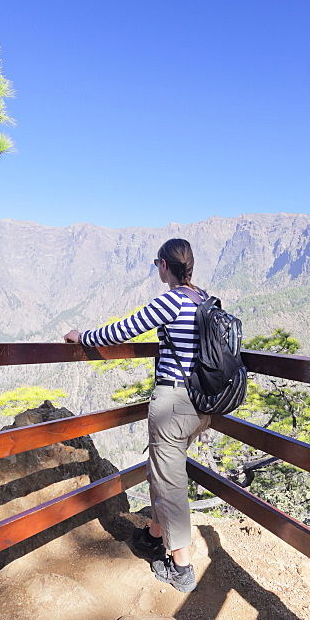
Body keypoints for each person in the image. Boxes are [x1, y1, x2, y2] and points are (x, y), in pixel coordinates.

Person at [64, 238, 209, 593]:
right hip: (203, 405)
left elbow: (122, 330)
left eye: (156, 263)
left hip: (174, 404)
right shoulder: (204, 299)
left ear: (163, 266)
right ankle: (152, 536)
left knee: (170, 483)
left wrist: (81, 336)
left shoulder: (172, 300)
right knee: (163, 472)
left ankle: (182, 569)